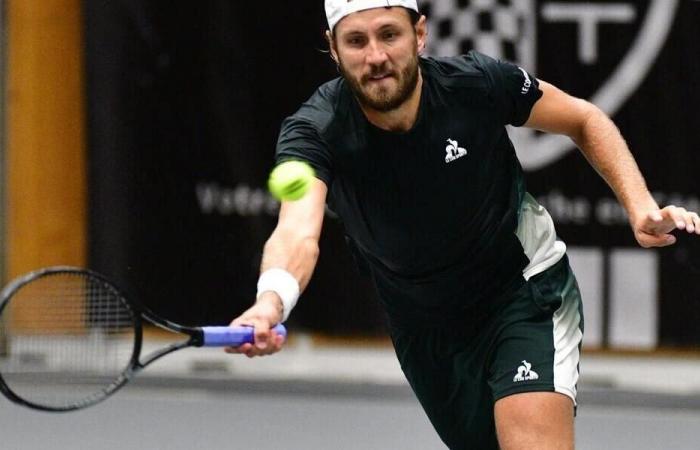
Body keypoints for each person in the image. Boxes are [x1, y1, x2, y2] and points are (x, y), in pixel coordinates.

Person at [226, 1, 700, 449]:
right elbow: (297, 233)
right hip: (424, 328)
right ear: (333, 48)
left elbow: (583, 117)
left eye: (389, 35)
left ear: (420, 34)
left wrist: (639, 207)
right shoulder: (316, 129)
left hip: (522, 292)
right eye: (356, 41)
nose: (375, 56)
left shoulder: (475, 85)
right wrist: (271, 303)